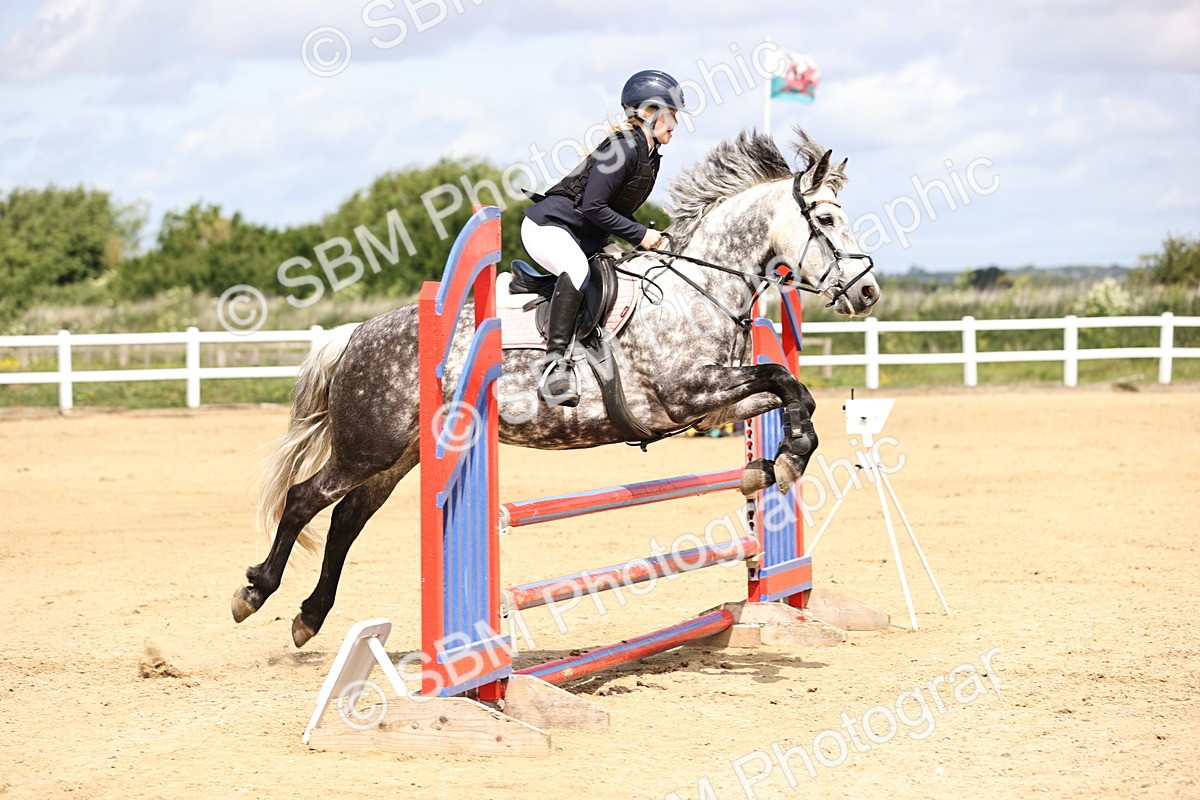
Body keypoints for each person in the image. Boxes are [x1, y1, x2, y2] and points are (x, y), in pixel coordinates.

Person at [522, 69, 686, 407]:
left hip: (580, 234)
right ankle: (555, 367)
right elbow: (594, 206)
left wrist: (656, 240)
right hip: (549, 227)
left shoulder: (648, 155)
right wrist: (641, 235)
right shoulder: (624, 148)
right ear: (649, 113)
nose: (675, 124)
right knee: (577, 270)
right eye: (671, 115)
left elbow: (616, 211)